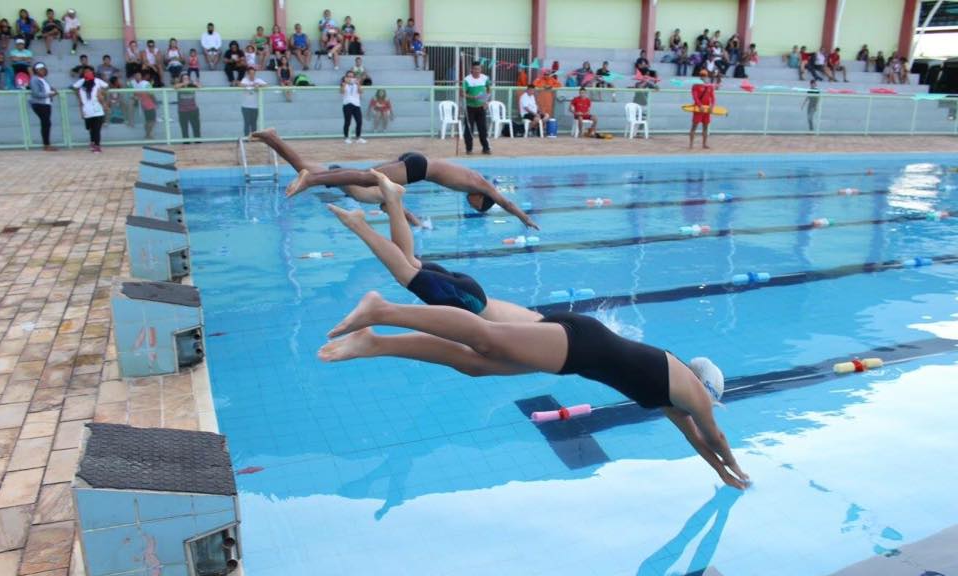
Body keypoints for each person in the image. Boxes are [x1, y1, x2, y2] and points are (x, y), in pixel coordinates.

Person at [319, 291, 751, 491]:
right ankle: (384, 310)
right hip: (584, 345)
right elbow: (714, 436)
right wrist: (734, 464)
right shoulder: (691, 393)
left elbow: (697, 440)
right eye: (712, 400)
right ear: (706, 388)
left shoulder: (674, 399)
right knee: (486, 338)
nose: (710, 407)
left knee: (476, 365)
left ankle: (376, 343)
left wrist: (719, 473)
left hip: (581, 353)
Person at [329, 170, 541, 323]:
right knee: (403, 273)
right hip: (469, 302)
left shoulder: (542, 323)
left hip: (472, 293)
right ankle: (359, 224)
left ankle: (393, 202)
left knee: (407, 260)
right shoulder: (541, 336)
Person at [253, 128, 537, 227]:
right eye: (477, 206)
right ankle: (310, 181)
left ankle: (273, 139)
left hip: (415, 162)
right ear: (482, 199)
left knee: (363, 177)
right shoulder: (482, 185)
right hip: (419, 167)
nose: (471, 205)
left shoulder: (474, 180)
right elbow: (507, 202)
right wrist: (525, 218)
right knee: (364, 178)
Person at [72, 69, 107, 151]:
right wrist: (104, 103)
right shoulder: (95, 86)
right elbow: (102, 94)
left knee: (92, 129)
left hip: (88, 110)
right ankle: (96, 145)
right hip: (95, 110)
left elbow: (79, 100)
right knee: (96, 129)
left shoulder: (81, 88)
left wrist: (81, 112)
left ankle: (93, 143)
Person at [462, 61, 491, 155]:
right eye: (475, 69)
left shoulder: (485, 78)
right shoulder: (467, 79)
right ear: (472, 69)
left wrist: (486, 101)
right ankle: (469, 149)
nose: (477, 71)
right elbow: (462, 93)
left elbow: (489, 90)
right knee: (469, 129)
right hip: (470, 108)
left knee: (483, 129)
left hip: (481, 107)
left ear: (481, 69)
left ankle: (486, 148)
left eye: (478, 69)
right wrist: (472, 97)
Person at [29, 61, 57, 150]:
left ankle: (47, 144)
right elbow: (36, 93)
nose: (43, 71)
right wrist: (49, 94)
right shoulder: (34, 80)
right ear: (36, 70)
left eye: (44, 69)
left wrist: (51, 89)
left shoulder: (43, 80)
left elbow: (44, 89)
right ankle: (46, 144)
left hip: (46, 103)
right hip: (40, 104)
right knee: (46, 123)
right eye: (41, 69)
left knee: (46, 123)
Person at [689, 69, 714, 150]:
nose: (703, 77)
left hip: (706, 109)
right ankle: (691, 144)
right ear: (700, 76)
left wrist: (712, 106)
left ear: (707, 76)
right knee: (694, 126)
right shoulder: (695, 85)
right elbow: (695, 97)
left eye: (704, 75)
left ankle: (704, 144)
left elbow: (713, 97)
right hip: (698, 109)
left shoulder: (709, 86)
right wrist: (700, 105)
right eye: (702, 75)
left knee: (705, 127)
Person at [239, 66, 266, 136]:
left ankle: (254, 137)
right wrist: (251, 85)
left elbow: (266, 85)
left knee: (254, 123)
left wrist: (259, 85)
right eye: (250, 73)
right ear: (248, 74)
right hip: (245, 106)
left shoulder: (258, 80)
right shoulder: (245, 80)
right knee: (247, 123)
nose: (252, 75)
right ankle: (246, 137)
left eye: (253, 73)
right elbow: (240, 85)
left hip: (255, 106)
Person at [340, 68, 364, 143]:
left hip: (356, 105)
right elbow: (342, 92)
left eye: (352, 76)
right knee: (347, 122)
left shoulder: (357, 84)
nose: (350, 78)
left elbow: (361, 92)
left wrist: (358, 84)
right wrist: (344, 84)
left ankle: (358, 137)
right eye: (348, 76)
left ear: (354, 77)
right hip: (347, 104)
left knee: (359, 121)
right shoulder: (344, 84)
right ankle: (346, 137)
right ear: (346, 77)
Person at [175, 75, 201, 141]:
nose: (186, 80)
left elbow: (200, 87)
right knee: (184, 128)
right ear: (181, 79)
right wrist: (183, 84)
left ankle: (197, 141)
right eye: (184, 78)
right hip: (182, 111)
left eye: (187, 78)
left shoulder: (192, 86)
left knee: (196, 127)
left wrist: (193, 83)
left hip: (193, 110)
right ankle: (186, 142)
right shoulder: (180, 86)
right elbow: (175, 87)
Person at [132, 70, 157, 138]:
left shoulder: (137, 85)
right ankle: (149, 134)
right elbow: (151, 94)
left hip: (143, 105)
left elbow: (135, 95)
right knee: (152, 120)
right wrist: (155, 101)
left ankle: (147, 134)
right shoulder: (146, 83)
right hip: (149, 104)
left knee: (148, 120)